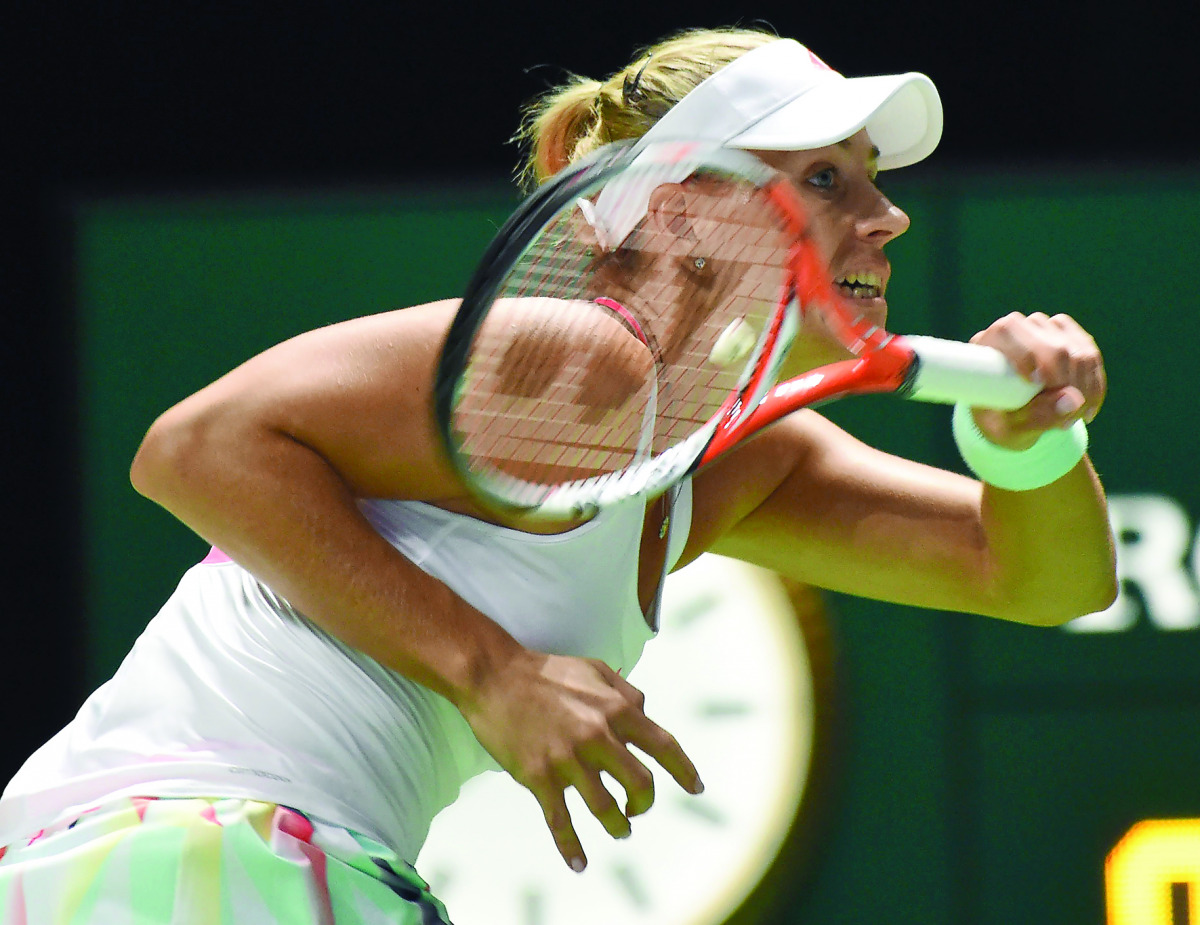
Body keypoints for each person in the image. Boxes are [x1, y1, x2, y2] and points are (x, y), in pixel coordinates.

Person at [0, 26, 1115, 923]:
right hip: (202, 852)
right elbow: (191, 449)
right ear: (686, 209)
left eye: (872, 178)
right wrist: (496, 674)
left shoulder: (741, 454)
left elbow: (1035, 578)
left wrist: (1034, 444)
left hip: (189, 861)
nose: (888, 215)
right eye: (828, 178)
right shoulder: (588, 361)